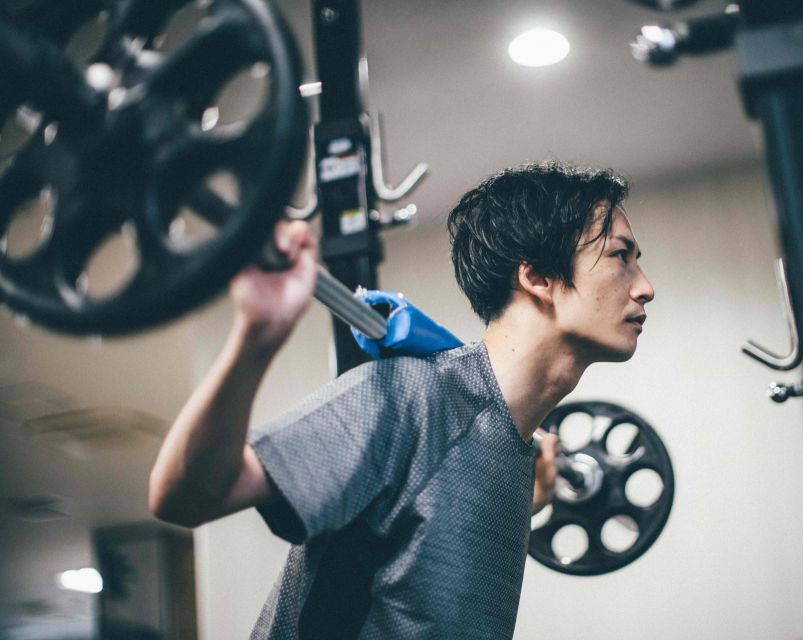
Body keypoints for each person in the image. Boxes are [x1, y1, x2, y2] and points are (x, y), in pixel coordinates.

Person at [148, 162, 655, 639]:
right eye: (620, 256)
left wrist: (531, 501)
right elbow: (184, 496)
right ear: (538, 279)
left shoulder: (513, 451)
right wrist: (256, 336)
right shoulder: (411, 398)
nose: (645, 288)